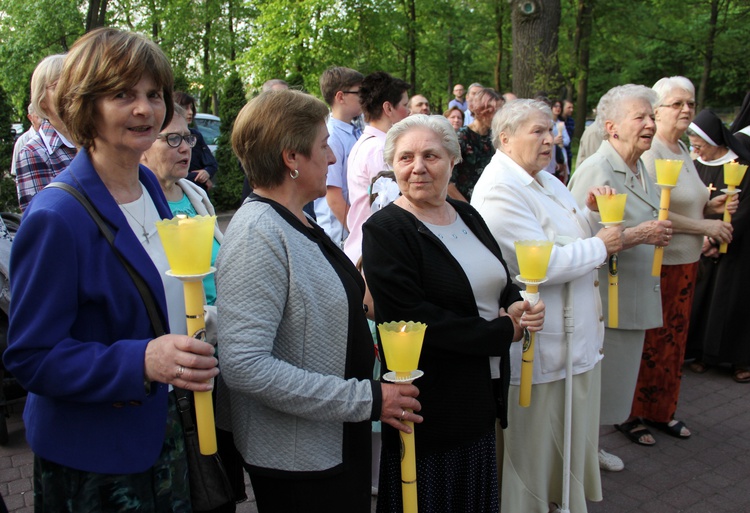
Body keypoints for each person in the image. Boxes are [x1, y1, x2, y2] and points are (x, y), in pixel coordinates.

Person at [3, 28, 219, 511]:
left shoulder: (148, 185)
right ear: (85, 105)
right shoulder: (56, 217)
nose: (145, 109)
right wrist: (141, 361)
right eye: (122, 94)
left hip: (162, 436)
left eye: (152, 94)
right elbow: (30, 357)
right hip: (97, 460)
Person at [216, 89, 422, 513]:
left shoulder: (297, 219)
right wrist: (367, 399)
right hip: (299, 459)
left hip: (331, 439)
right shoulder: (258, 233)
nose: (332, 159)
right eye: (323, 146)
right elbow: (244, 365)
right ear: (292, 158)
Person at [362, 114, 544, 512]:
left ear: (453, 160)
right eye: (406, 157)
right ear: (392, 165)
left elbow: (496, 274)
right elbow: (407, 316)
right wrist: (502, 333)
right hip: (431, 401)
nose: (418, 167)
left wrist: (514, 300)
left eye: (431, 155)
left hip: (480, 390)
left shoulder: (468, 215)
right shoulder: (387, 229)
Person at [471, 99, 622, 512]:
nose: (550, 137)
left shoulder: (546, 178)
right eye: (537, 130)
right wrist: (600, 243)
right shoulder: (500, 188)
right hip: (542, 345)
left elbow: (568, 235)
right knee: (535, 450)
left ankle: (558, 502)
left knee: (566, 443)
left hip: (574, 340)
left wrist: (591, 216)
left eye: (551, 129)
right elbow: (540, 261)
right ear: (505, 138)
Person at [568, 85, 673, 467]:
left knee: (612, 385)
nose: (650, 124)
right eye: (640, 117)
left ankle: (589, 449)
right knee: (599, 384)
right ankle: (580, 456)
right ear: (611, 127)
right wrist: (640, 234)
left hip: (630, 294)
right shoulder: (597, 168)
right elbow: (577, 237)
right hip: (606, 302)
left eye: (651, 116)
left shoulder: (639, 164)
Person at [635, 76, 735, 442]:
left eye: (690, 103)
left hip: (686, 262)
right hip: (660, 262)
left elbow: (687, 200)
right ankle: (633, 414)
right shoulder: (651, 153)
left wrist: (711, 205)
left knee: (674, 342)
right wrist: (704, 226)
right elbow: (653, 209)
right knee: (651, 341)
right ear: (656, 110)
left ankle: (662, 409)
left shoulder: (680, 150)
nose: (686, 110)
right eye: (677, 104)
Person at [686, 108, 750, 383]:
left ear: (715, 143)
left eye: (700, 146)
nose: (697, 152)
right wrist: (702, 236)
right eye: (694, 147)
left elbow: (746, 208)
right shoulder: (696, 164)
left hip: (738, 245)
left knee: (734, 300)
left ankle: (740, 359)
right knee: (703, 300)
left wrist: (717, 237)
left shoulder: (742, 165)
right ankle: (702, 353)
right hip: (701, 242)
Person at [141, 104, 222, 306]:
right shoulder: (137, 202)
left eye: (187, 138)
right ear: (142, 146)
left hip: (224, 322)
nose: (185, 148)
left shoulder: (195, 193)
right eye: (173, 139)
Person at [344, 71, 411, 263]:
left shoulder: (367, 143)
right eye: (405, 105)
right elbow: (388, 207)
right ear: (388, 108)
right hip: (375, 253)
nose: (408, 112)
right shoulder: (380, 149)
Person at [15, 54, 77, 211]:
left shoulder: (96, 139)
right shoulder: (32, 153)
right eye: (59, 85)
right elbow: (42, 222)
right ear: (42, 102)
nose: (71, 91)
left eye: (75, 82)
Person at [313, 66, 364, 248]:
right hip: (340, 235)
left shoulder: (355, 131)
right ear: (340, 97)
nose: (365, 98)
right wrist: (360, 233)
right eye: (359, 93)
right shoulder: (332, 136)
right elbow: (333, 197)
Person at [449, 87, 500, 201]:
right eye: (495, 112)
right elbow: (448, 183)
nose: (498, 117)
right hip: (465, 205)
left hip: (489, 201)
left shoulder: (494, 137)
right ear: (482, 110)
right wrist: (470, 210)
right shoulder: (462, 138)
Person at [173, 92, 218, 192]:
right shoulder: (166, 138)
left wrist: (206, 173)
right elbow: (168, 173)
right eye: (185, 108)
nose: (190, 112)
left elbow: (212, 164)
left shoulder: (196, 135)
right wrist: (197, 178)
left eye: (191, 108)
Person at [10, 104, 41, 177]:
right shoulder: (22, 141)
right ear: (30, 117)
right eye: (38, 116)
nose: (42, 121)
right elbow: (16, 172)